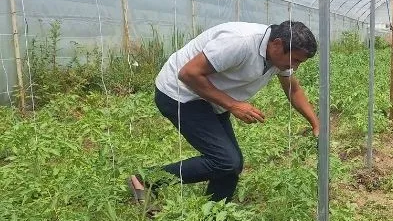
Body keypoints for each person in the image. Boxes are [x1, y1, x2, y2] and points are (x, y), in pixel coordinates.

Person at [128, 20, 320, 203]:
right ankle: (146, 179)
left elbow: (293, 89)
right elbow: (188, 73)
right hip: (180, 93)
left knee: (231, 166)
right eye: (294, 60)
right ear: (277, 44)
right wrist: (233, 105)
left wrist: (316, 124)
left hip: (210, 98)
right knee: (226, 161)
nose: (295, 67)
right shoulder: (240, 42)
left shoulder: (279, 57)